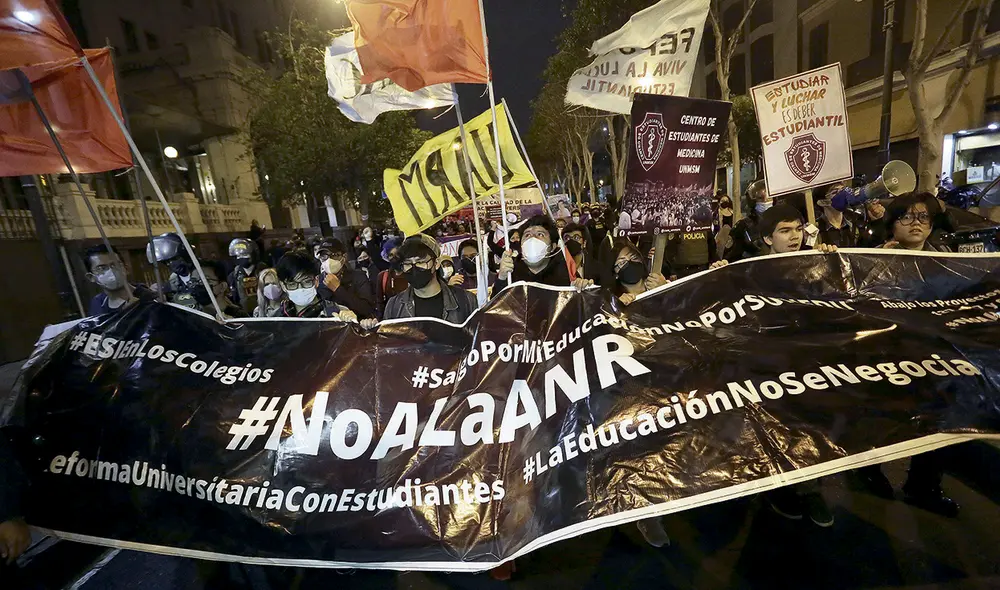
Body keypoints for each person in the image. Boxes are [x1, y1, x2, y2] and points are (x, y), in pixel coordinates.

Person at [361, 234, 477, 327]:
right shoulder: (394, 306)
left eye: (420, 262)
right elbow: (389, 347)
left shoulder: (466, 301)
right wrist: (371, 330)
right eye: (407, 264)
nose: (414, 267)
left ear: (436, 264)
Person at [492, 215, 592, 294]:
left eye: (540, 234)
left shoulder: (566, 272)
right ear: (521, 245)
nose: (532, 239)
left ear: (552, 246)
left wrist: (582, 287)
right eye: (527, 235)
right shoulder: (510, 272)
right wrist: (501, 279)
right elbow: (494, 311)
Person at [275, 251, 355, 320]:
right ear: (283, 286)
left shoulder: (336, 312)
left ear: (316, 281)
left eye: (306, 282)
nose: (300, 288)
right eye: (292, 284)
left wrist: (351, 323)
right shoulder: (276, 319)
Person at [316, 238, 376, 319]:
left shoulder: (358, 276)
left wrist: (338, 289)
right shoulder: (318, 281)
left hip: (357, 325)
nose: (329, 260)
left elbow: (367, 309)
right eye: (324, 256)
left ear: (344, 257)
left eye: (334, 255)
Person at [83, 244, 148, 315]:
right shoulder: (97, 304)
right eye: (101, 268)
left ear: (126, 269)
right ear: (91, 277)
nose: (111, 271)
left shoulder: (148, 298)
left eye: (116, 265)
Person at [880, 191, 949, 252]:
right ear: (892, 224)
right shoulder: (876, 253)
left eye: (924, 217)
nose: (916, 222)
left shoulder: (943, 251)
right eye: (907, 217)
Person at [227, 238, 267, 316]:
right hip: (245, 315)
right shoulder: (233, 276)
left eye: (245, 255)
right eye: (238, 256)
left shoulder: (265, 271)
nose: (241, 258)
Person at [374, 237, 407, 318]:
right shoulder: (383, 277)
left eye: (397, 254)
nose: (394, 258)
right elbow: (380, 303)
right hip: (391, 320)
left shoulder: (412, 274)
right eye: (391, 255)